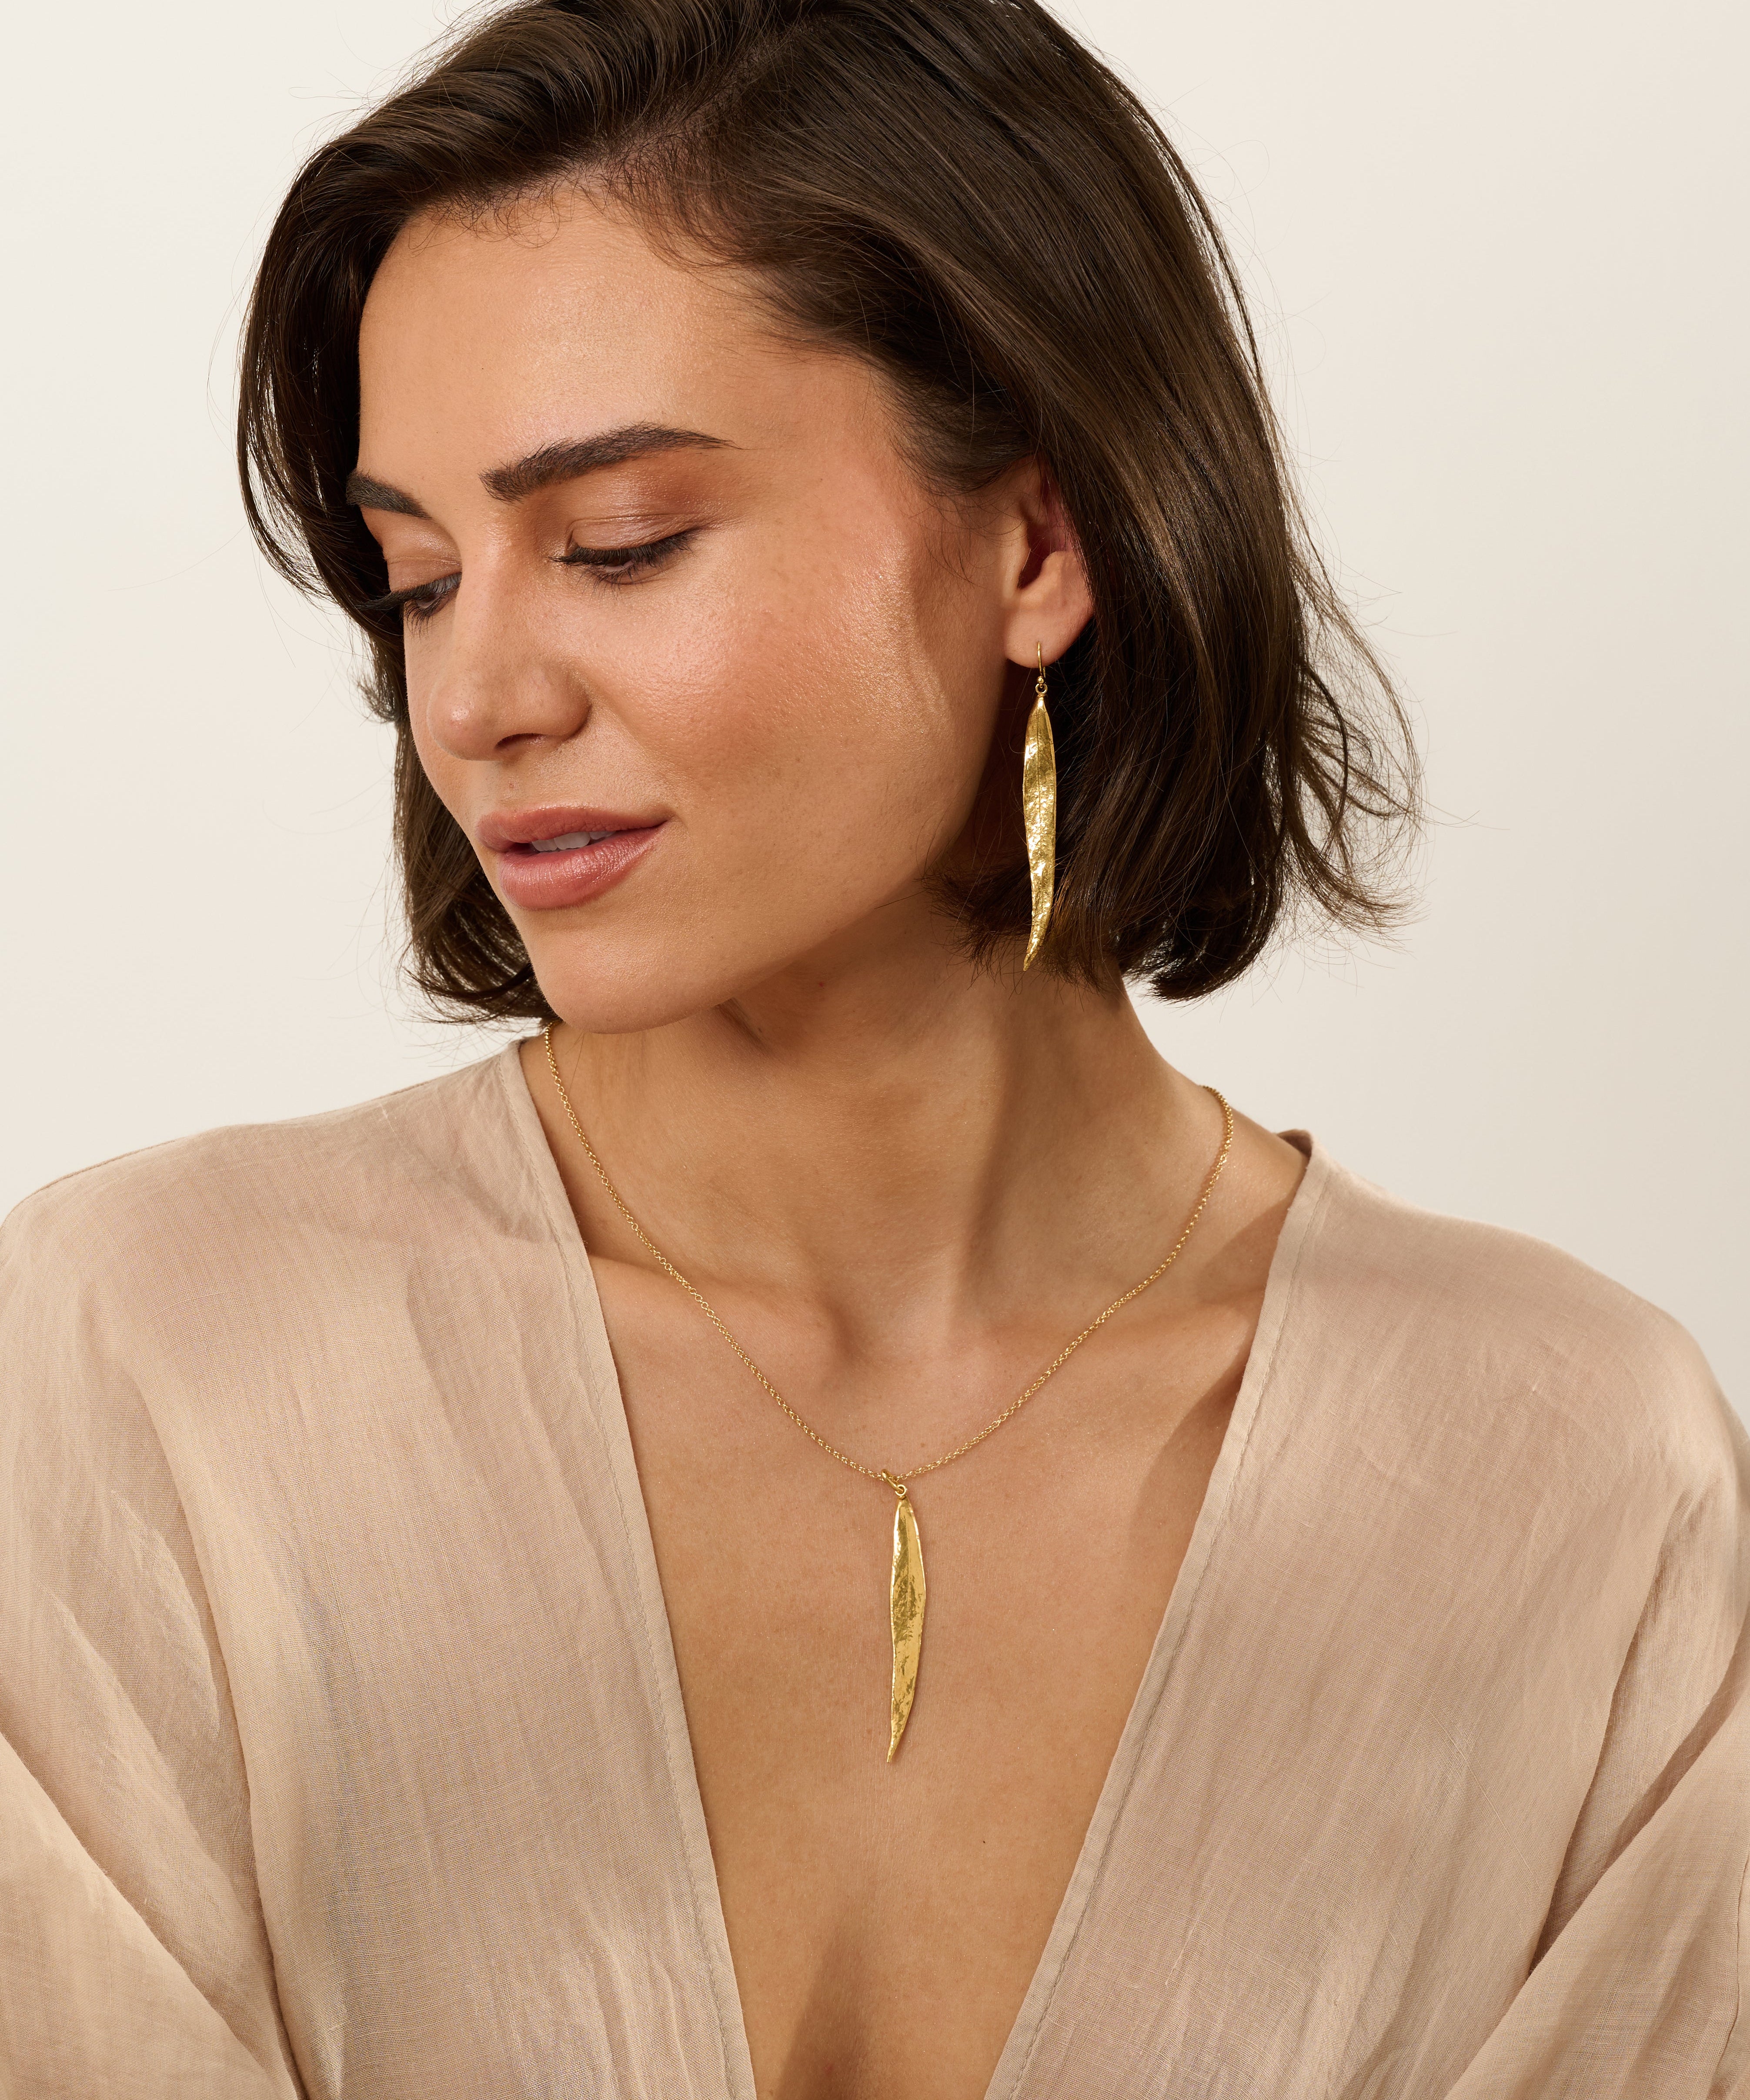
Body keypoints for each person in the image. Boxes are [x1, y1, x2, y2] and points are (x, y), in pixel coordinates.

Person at [3, 0, 1744, 2093]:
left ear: (1036, 542)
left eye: (620, 542)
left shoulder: (1561, 1479)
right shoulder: (153, 1370)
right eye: (419, 577)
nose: (474, 699)